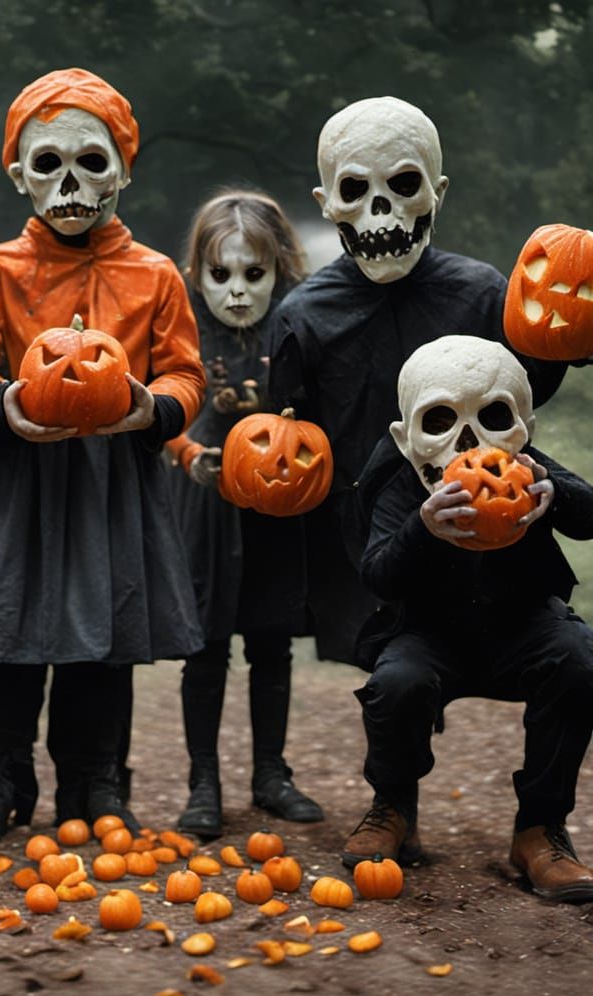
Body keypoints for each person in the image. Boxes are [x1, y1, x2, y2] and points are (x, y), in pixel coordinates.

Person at [0, 68, 205, 840]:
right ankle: (0, 777)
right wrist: (3, 405)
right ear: (20, 176)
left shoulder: (155, 275)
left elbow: (184, 373)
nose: (70, 182)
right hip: (25, 474)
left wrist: (150, 412)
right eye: (47, 164)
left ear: (123, 168)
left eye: (91, 162)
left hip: (111, 479)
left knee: (104, 639)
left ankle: (96, 780)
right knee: (7, 633)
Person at [268, 96, 566, 666]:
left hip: (483, 525)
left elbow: (521, 405)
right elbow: (291, 433)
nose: (381, 211)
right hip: (367, 545)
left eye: (404, 184)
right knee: (393, 689)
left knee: (540, 663)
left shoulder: (483, 294)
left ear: (438, 192)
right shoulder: (302, 317)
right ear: (327, 204)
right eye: (355, 191)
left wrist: (565, 345)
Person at [344, 334, 593, 903]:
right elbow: (378, 574)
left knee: (580, 659)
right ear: (407, 437)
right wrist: (423, 531)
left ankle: (540, 828)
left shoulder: (525, 466)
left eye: (493, 418)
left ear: (522, 425)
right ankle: (393, 807)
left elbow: (589, 514)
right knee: (396, 682)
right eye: (439, 421)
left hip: (523, 623)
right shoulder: (399, 479)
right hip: (430, 633)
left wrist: (558, 496)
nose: (467, 443)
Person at [165, 190, 322, 837]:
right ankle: (204, 783)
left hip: (276, 508)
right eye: (220, 274)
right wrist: (188, 453)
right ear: (197, 275)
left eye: (252, 275)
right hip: (204, 507)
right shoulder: (181, 330)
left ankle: (271, 774)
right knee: (204, 649)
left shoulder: (297, 329)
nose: (236, 291)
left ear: (279, 271)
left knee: (272, 643)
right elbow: (163, 412)